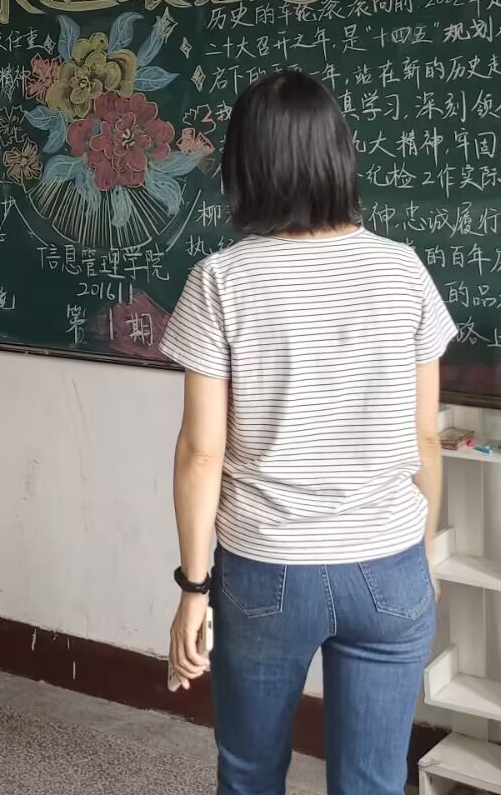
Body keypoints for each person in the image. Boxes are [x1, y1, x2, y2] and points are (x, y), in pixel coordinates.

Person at [162, 69, 454, 795]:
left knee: (250, 775)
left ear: (246, 165)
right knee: (373, 784)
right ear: (337, 156)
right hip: (389, 562)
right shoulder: (404, 270)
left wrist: (193, 588)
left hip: (268, 568)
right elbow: (425, 438)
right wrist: (419, 555)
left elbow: (202, 453)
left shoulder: (221, 280)